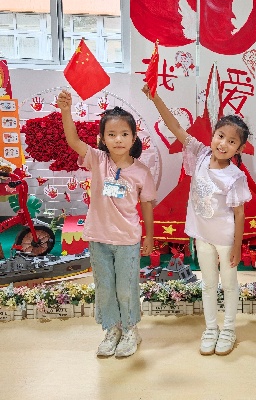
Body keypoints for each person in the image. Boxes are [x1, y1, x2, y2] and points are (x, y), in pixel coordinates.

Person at [142, 85, 251, 356]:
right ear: (213, 135)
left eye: (231, 142)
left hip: (225, 240)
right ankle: (211, 328)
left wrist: (237, 247)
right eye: (220, 136)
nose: (223, 144)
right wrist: (156, 98)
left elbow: (239, 214)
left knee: (229, 285)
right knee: (209, 284)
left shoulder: (235, 176)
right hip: (202, 236)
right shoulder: (200, 154)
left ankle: (228, 329)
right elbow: (176, 127)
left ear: (239, 148)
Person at [58, 90, 156, 358]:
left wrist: (149, 236)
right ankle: (112, 329)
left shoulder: (141, 171)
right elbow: (73, 140)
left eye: (124, 134)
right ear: (102, 138)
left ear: (134, 137)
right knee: (105, 288)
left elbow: (147, 204)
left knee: (125, 288)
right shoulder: (97, 160)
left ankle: (130, 329)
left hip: (127, 240)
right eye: (111, 134)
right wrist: (66, 111)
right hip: (98, 238)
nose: (118, 139)